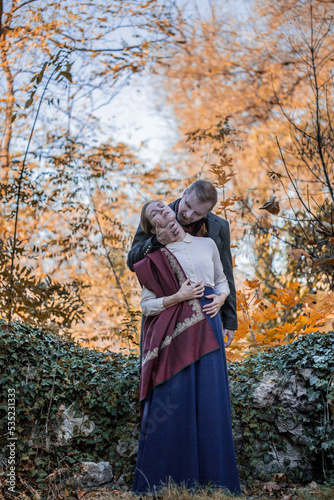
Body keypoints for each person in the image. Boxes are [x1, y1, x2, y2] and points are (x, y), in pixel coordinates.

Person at [131, 200, 241, 496]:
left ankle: (216, 480)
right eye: (155, 213)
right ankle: (169, 480)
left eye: (162, 206)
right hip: (175, 334)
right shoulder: (154, 258)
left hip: (210, 322)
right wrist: (177, 296)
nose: (163, 209)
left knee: (210, 398)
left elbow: (222, 280)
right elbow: (146, 306)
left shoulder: (207, 244)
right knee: (174, 400)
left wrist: (221, 297)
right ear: (153, 229)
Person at [127, 180, 237, 352]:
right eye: (187, 206)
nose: (188, 215)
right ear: (184, 193)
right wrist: (156, 241)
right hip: (166, 311)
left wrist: (230, 320)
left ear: (208, 213)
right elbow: (132, 262)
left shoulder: (219, 227)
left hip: (205, 314)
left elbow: (225, 273)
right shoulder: (156, 215)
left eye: (197, 213)